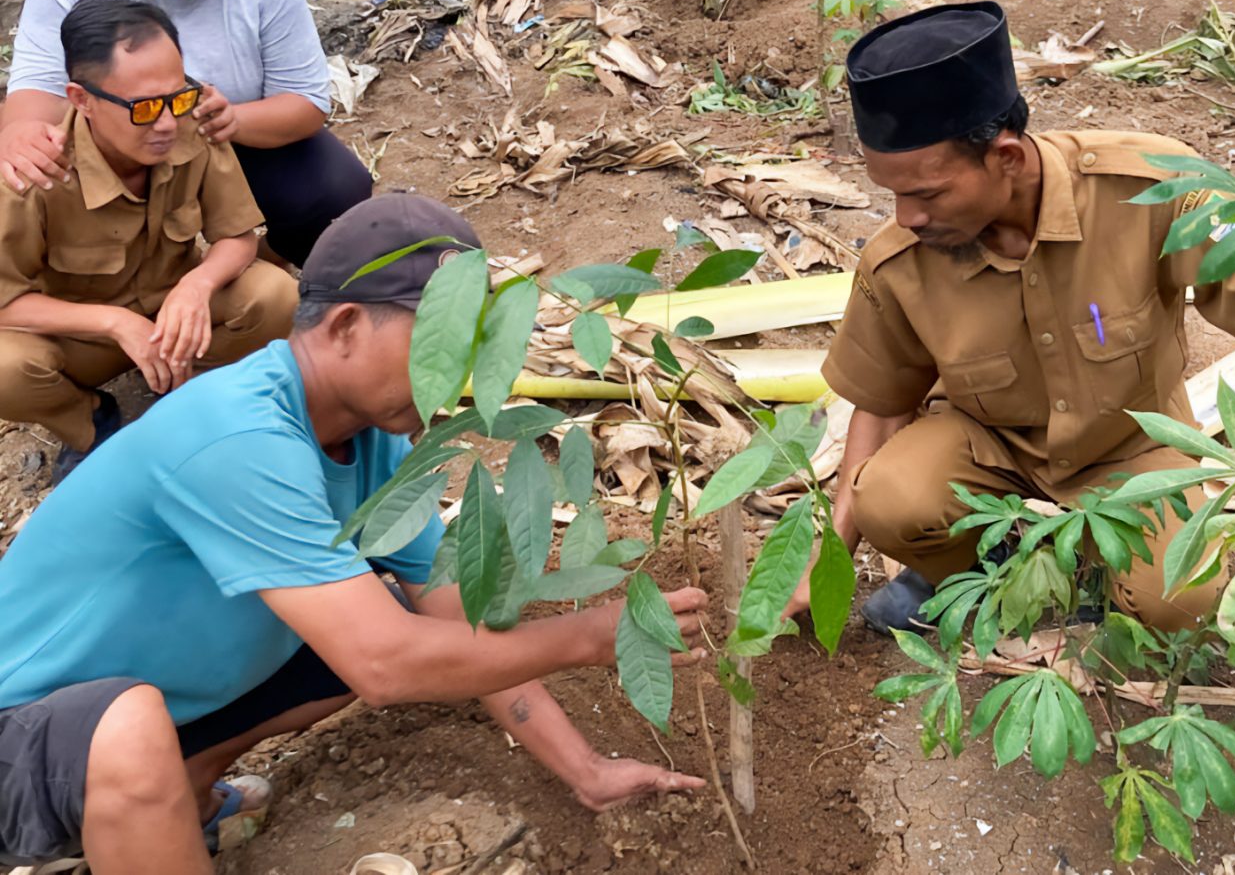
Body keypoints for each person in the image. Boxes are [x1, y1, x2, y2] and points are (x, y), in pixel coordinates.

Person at [0, 193, 709, 873]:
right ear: (342, 327)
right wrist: (591, 638)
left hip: (137, 706)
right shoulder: (234, 435)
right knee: (140, 722)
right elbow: (387, 666)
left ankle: (180, 785)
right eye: (436, 343)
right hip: (21, 734)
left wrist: (585, 772)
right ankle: (128, 796)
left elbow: (460, 631)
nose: (454, 374)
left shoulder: (373, 447)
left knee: (394, 618)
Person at [782, 1, 1235, 634]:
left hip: (1132, 448)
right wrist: (826, 562)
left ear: (1006, 158)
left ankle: (1081, 571)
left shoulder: (1155, 190)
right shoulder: (900, 260)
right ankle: (978, 566)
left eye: (926, 193)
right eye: (893, 193)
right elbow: (883, 405)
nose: (906, 216)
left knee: (1184, 598)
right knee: (890, 496)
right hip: (983, 449)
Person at [0, 0, 370, 266]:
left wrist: (232, 118)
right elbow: (35, 92)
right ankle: (68, 293)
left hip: (223, 145)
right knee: (23, 166)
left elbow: (308, 102)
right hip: (111, 150)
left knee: (336, 186)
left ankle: (260, 265)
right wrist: (21, 136)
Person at [0, 0, 296, 485]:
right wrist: (113, 323)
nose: (165, 124)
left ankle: (186, 392)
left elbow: (237, 237)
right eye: (142, 108)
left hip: (175, 312)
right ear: (82, 99)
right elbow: (5, 300)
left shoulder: (191, 122)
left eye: (176, 97)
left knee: (275, 295)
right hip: (83, 337)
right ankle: (90, 421)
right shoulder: (35, 172)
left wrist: (197, 287)